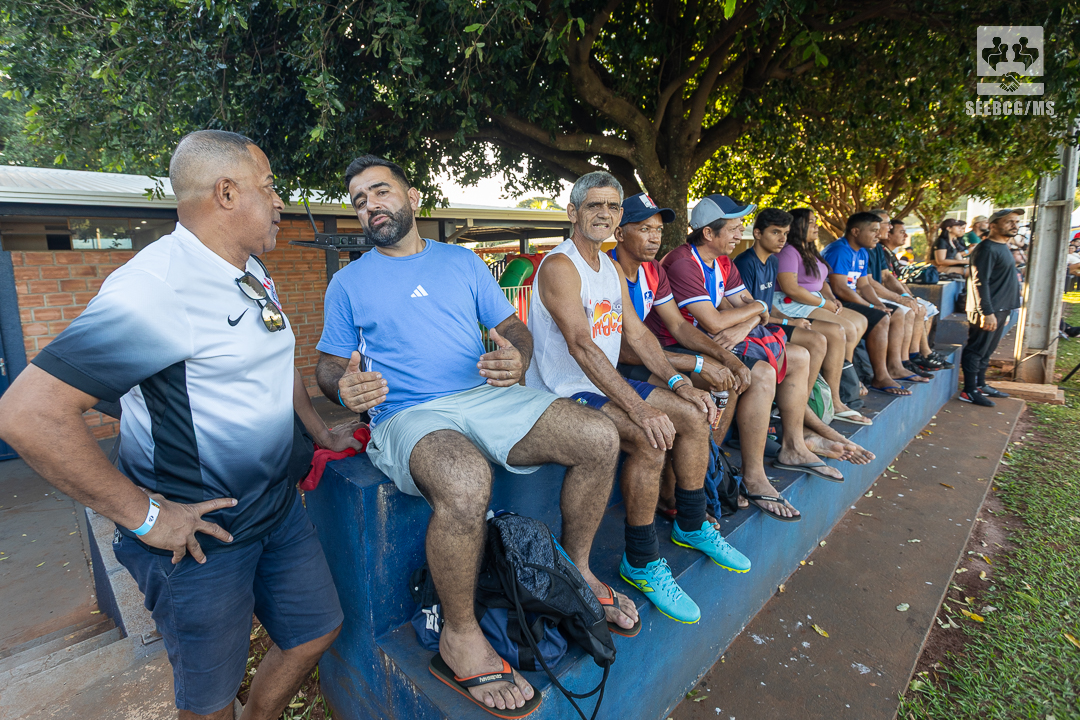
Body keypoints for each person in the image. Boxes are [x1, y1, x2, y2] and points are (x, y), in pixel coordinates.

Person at [0, 130, 352, 720]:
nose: (280, 202)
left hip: (277, 513)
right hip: (198, 542)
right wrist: (145, 515)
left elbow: (273, 354)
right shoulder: (158, 287)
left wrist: (317, 430)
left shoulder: (249, 268)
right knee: (209, 703)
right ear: (226, 193)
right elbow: (28, 413)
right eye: (269, 187)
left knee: (315, 632)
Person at [315, 156, 631, 716]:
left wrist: (517, 357)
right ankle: (459, 636)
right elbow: (328, 365)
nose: (370, 206)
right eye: (360, 200)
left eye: (380, 191)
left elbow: (511, 329)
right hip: (408, 414)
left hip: (487, 398)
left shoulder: (461, 262)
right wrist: (343, 386)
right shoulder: (348, 282)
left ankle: (579, 571)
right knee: (463, 481)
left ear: (413, 197)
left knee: (599, 437)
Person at [526, 172, 750, 626]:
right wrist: (640, 407)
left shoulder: (608, 266)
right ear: (573, 212)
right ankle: (642, 561)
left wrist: (677, 382)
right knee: (649, 438)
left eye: (612, 206)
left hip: (599, 384)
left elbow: (640, 335)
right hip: (563, 392)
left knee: (692, 413)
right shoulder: (560, 266)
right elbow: (582, 346)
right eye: (594, 205)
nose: (605, 214)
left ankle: (692, 523)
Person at [661, 195, 852, 523]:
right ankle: (753, 475)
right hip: (678, 350)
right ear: (708, 233)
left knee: (798, 355)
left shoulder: (723, 262)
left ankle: (793, 445)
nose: (741, 234)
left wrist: (748, 318)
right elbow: (716, 321)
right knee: (761, 373)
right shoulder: (683, 262)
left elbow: (751, 309)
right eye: (734, 228)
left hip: (712, 343)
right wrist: (754, 311)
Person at [608, 192, 753, 517]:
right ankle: (674, 494)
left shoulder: (653, 270)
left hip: (643, 356)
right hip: (613, 366)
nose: (654, 237)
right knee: (690, 403)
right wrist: (697, 363)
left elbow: (679, 326)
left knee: (726, 383)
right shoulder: (607, 270)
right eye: (644, 229)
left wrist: (727, 359)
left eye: (658, 230)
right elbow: (623, 349)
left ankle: (707, 473)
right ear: (620, 233)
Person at [739, 208, 872, 427]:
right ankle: (798, 408)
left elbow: (768, 305)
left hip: (770, 321)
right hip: (754, 329)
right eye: (775, 232)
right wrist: (788, 321)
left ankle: (805, 404)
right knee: (818, 339)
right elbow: (750, 311)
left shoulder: (772, 261)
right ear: (757, 233)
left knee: (825, 336)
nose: (782, 239)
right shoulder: (746, 263)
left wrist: (788, 320)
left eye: (785, 233)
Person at [823, 212, 914, 397]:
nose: (878, 235)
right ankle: (879, 376)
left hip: (851, 298)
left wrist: (878, 304)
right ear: (856, 231)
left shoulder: (863, 252)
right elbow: (840, 288)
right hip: (836, 301)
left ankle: (893, 367)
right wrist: (871, 307)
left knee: (890, 313)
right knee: (880, 318)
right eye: (873, 230)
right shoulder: (839, 250)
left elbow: (864, 285)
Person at [867, 210, 946, 376]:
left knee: (919, 307)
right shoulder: (864, 248)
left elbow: (887, 276)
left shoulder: (878, 248)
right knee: (908, 311)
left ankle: (917, 355)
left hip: (879, 294)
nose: (889, 227)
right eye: (887, 224)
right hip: (869, 297)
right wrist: (900, 299)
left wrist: (906, 296)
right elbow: (868, 284)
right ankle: (902, 362)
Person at [960, 209, 1023, 406]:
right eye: (1009, 221)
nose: (1015, 225)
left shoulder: (1002, 246)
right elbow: (980, 282)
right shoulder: (986, 249)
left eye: (1016, 222)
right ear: (992, 225)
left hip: (1001, 307)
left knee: (987, 351)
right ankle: (969, 390)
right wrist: (986, 312)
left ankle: (980, 385)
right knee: (977, 349)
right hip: (988, 310)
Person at [880, 218, 954, 370]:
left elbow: (898, 282)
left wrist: (910, 297)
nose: (906, 235)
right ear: (889, 235)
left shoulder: (890, 254)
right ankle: (913, 356)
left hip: (894, 295)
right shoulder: (880, 251)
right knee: (914, 310)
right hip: (882, 296)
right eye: (901, 232)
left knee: (929, 308)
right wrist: (903, 298)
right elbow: (883, 281)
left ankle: (924, 352)